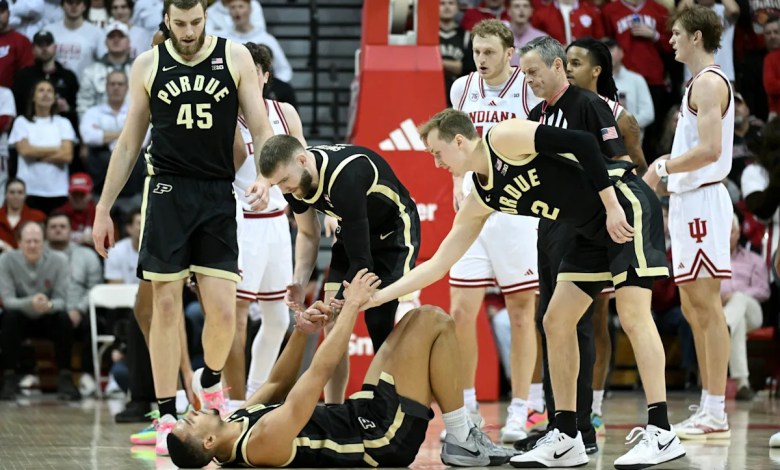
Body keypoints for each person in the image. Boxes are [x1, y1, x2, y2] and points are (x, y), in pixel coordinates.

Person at [363, 109, 685, 469]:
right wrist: (376, 297)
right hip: (588, 231)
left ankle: (661, 431)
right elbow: (438, 263)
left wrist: (611, 205)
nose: (436, 163)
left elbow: (583, 143)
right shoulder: (481, 198)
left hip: (623, 204)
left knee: (632, 315)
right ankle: (566, 436)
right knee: (556, 321)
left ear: (458, 140)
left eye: (437, 153)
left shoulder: (503, 138)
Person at [91, 0, 275, 455]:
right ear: (166, 20)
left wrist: (268, 176)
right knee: (166, 307)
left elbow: (261, 122)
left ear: (205, 18)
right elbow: (131, 140)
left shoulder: (235, 57)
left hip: (216, 192)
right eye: (180, 23)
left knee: (225, 313)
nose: (188, 31)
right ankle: (166, 413)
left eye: (195, 23)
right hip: (167, 192)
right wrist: (103, 207)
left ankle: (209, 381)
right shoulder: (148, 64)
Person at [167, 269, 513, 468]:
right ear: (208, 441)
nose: (192, 413)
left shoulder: (237, 424)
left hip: (361, 415)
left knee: (415, 320)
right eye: (189, 422)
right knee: (434, 320)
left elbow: (277, 381)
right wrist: (352, 307)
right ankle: (462, 438)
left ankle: (461, 433)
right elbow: (318, 373)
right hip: (380, 439)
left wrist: (303, 329)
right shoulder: (260, 444)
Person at [515, 35, 628, 454]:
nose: (528, 80)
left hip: (583, 227)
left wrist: (609, 212)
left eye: (533, 72)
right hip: (548, 224)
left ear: (558, 65)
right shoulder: (533, 114)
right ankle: (556, 423)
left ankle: (582, 427)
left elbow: (618, 162)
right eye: (524, 74)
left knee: (575, 324)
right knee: (549, 321)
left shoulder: (587, 105)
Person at [258, 134, 421, 405]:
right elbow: (309, 234)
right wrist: (299, 281)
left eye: (284, 181)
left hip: (393, 236)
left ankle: (393, 404)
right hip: (355, 235)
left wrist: (338, 305)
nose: (285, 191)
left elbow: (362, 264)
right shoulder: (296, 179)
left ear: (301, 160)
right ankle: (335, 409)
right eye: (277, 185)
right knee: (332, 327)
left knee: (378, 321)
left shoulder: (347, 175)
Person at [447, 18, 542, 443]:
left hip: (518, 210)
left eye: (489, 52)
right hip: (474, 207)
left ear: (510, 54)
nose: (480, 59)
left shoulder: (527, 88)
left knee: (522, 313)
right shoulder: (461, 89)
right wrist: (455, 181)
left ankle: (521, 409)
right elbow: (457, 143)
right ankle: (466, 407)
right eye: (476, 51)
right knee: (461, 313)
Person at [643, 5, 735, 441]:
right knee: (692, 307)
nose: (671, 41)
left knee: (707, 305)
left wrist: (663, 167)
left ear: (696, 37)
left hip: (703, 200)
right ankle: (708, 404)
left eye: (677, 33)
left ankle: (716, 408)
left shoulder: (711, 82)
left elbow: (712, 149)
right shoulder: (696, 84)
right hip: (687, 201)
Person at [564, 36, 648, 432]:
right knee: (555, 316)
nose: (566, 68)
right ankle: (553, 408)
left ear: (596, 70)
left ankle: (592, 406)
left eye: (575, 62)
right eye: (564, 61)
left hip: (607, 222)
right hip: (564, 220)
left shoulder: (620, 116)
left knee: (598, 317)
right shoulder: (551, 111)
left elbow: (639, 169)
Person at [224, 41, 305, 401]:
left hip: (277, 223)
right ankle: (231, 401)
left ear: (266, 75)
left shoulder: (285, 112)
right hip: (241, 222)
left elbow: (305, 170)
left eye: (253, 71)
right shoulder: (224, 115)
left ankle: (255, 395)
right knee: (236, 317)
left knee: (278, 319)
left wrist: (323, 214)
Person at [0, 221, 80, 400]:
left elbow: (62, 300)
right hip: (20, 316)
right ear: (19, 243)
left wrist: (48, 305)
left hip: (48, 315)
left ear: (44, 242)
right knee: (8, 317)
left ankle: (66, 378)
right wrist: (31, 302)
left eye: (36, 241)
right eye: (28, 241)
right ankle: (9, 377)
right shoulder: (6, 260)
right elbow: (7, 300)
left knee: (63, 319)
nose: (32, 245)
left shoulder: (59, 260)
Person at [8, 78, 76, 214]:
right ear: (33, 97)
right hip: (29, 190)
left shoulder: (63, 123)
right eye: (41, 90)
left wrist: (37, 155)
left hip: (58, 190)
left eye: (49, 91)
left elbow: (67, 155)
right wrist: (57, 148)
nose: (45, 94)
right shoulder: (21, 122)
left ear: (54, 98)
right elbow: (25, 151)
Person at [721, 211, 769, 400]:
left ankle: (724, 328)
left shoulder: (753, 259)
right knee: (737, 324)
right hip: (724, 311)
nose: (727, 236)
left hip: (752, 311)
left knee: (739, 299)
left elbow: (763, 290)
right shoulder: (711, 261)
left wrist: (735, 295)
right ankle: (743, 385)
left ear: (738, 232)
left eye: (731, 232)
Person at [603, 37, 655, 139]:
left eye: (611, 49)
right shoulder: (595, 81)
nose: (607, 54)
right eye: (604, 50)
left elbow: (648, 114)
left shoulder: (636, 80)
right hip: (604, 143)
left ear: (621, 52)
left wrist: (624, 126)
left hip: (632, 143)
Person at [45, 0, 104, 81]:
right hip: (54, 86)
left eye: (78, 3)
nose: (74, 6)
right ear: (62, 6)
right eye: (70, 2)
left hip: (85, 88)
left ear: (84, 6)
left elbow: (104, 62)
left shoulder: (97, 33)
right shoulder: (49, 31)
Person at [439, 0, 473, 105]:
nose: (447, 7)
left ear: (457, 8)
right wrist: (454, 66)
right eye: (442, 3)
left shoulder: (466, 36)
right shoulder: (427, 36)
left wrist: (439, 64)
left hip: (459, 95)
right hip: (432, 90)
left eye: (451, 3)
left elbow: (468, 68)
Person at [0, 177, 45, 251]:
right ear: (5, 194)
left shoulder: (37, 217)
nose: (16, 196)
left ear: (25, 195)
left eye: (20, 192)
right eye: (12, 192)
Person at [0, 0, 34, 89]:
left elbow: (27, 76)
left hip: (10, 99)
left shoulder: (22, 41)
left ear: (8, 13)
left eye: (1, 12)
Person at [507, 0, 545, 66]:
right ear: (509, 11)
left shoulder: (542, 39)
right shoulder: (501, 37)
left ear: (531, 11)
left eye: (525, 6)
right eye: (517, 6)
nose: (521, 10)